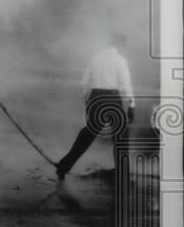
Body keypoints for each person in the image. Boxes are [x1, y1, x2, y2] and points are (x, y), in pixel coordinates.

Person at [55, 33, 134, 180]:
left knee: (87, 135)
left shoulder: (95, 58)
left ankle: (63, 166)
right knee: (121, 136)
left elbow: (84, 83)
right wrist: (132, 106)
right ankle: (122, 173)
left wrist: (88, 101)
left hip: (95, 97)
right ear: (120, 44)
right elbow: (125, 85)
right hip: (112, 97)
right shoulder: (120, 60)